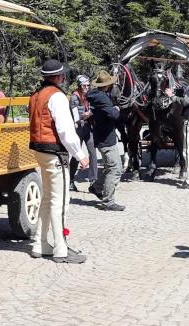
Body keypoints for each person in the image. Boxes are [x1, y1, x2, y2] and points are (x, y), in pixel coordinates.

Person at [27, 59, 90, 263]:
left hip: (40, 151)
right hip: (55, 153)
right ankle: (61, 248)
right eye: (62, 75)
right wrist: (81, 155)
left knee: (46, 199)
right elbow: (65, 131)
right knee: (60, 201)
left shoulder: (35, 96)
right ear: (59, 77)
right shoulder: (58, 97)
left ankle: (40, 243)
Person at [86, 70, 124, 211]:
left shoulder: (97, 96)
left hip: (104, 137)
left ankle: (96, 187)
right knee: (115, 169)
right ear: (108, 85)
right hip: (106, 139)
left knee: (112, 167)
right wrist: (117, 109)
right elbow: (113, 115)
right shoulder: (103, 99)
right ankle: (108, 201)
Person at [69, 75, 96, 188]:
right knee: (77, 154)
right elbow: (75, 115)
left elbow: (94, 108)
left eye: (88, 85)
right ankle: (70, 179)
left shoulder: (90, 95)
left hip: (88, 128)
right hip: (79, 129)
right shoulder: (74, 97)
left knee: (93, 152)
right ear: (79, 86)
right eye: (84, 85)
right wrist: (83, 117)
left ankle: (93, 180)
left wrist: (91, 113)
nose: (86, 87)